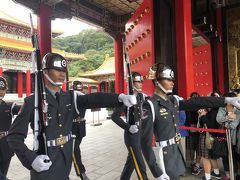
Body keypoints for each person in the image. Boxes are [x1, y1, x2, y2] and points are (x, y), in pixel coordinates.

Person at [7, 53, 136, 180]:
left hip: (65, 162)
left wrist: (119, 98)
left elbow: (91, 99)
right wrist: (31, 159)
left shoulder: (70, 97)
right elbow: (14, 136)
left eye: (64, 70)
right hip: (45, 167)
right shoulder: (32, 102)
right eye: (57, 70)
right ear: (45, 72)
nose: (62, 74)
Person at [140, 63, 240, 180]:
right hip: (163, 155)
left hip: (176, 151)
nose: (172, 82)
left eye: (173, 80)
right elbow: (145, 143)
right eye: (168, 79)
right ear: (157, 81)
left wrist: (226, 100)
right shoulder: (150, 105)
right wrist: (156, 171)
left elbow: (198, 102)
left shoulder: (173, 101)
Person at [111, 72, 149, 180]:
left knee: (131, 163)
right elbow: (114, 116)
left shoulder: (142, 96)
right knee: (140, 165)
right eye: (138, 81)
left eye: (141, 81)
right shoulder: (126, 98)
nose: (141, 84)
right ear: (132, 83)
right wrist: (128, 127)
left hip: (140, 134)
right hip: (131, 136)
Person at [0, 76, 20, 180]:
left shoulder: (9, 107)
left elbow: (23, 110)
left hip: (5, 147)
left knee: (3, 172)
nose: (1, 91)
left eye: (2, 89)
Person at [71, 80, 89, 180]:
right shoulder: (70, 97)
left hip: (80, 127)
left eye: (80, 87)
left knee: (74, 150)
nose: (79, 89)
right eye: (77, 87)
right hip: (72, 127)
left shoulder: (83, 97)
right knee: (75, 150)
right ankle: (81, 172)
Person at [185, 92, 202, 175]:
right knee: (192, 147)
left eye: (196, 97)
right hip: (191, 128)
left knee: (198, 148)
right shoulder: (188, 106)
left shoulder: (201, 107)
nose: (195, 99)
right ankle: (192, 163)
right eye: (193, 97)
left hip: (199, 129)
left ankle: (197, 164)